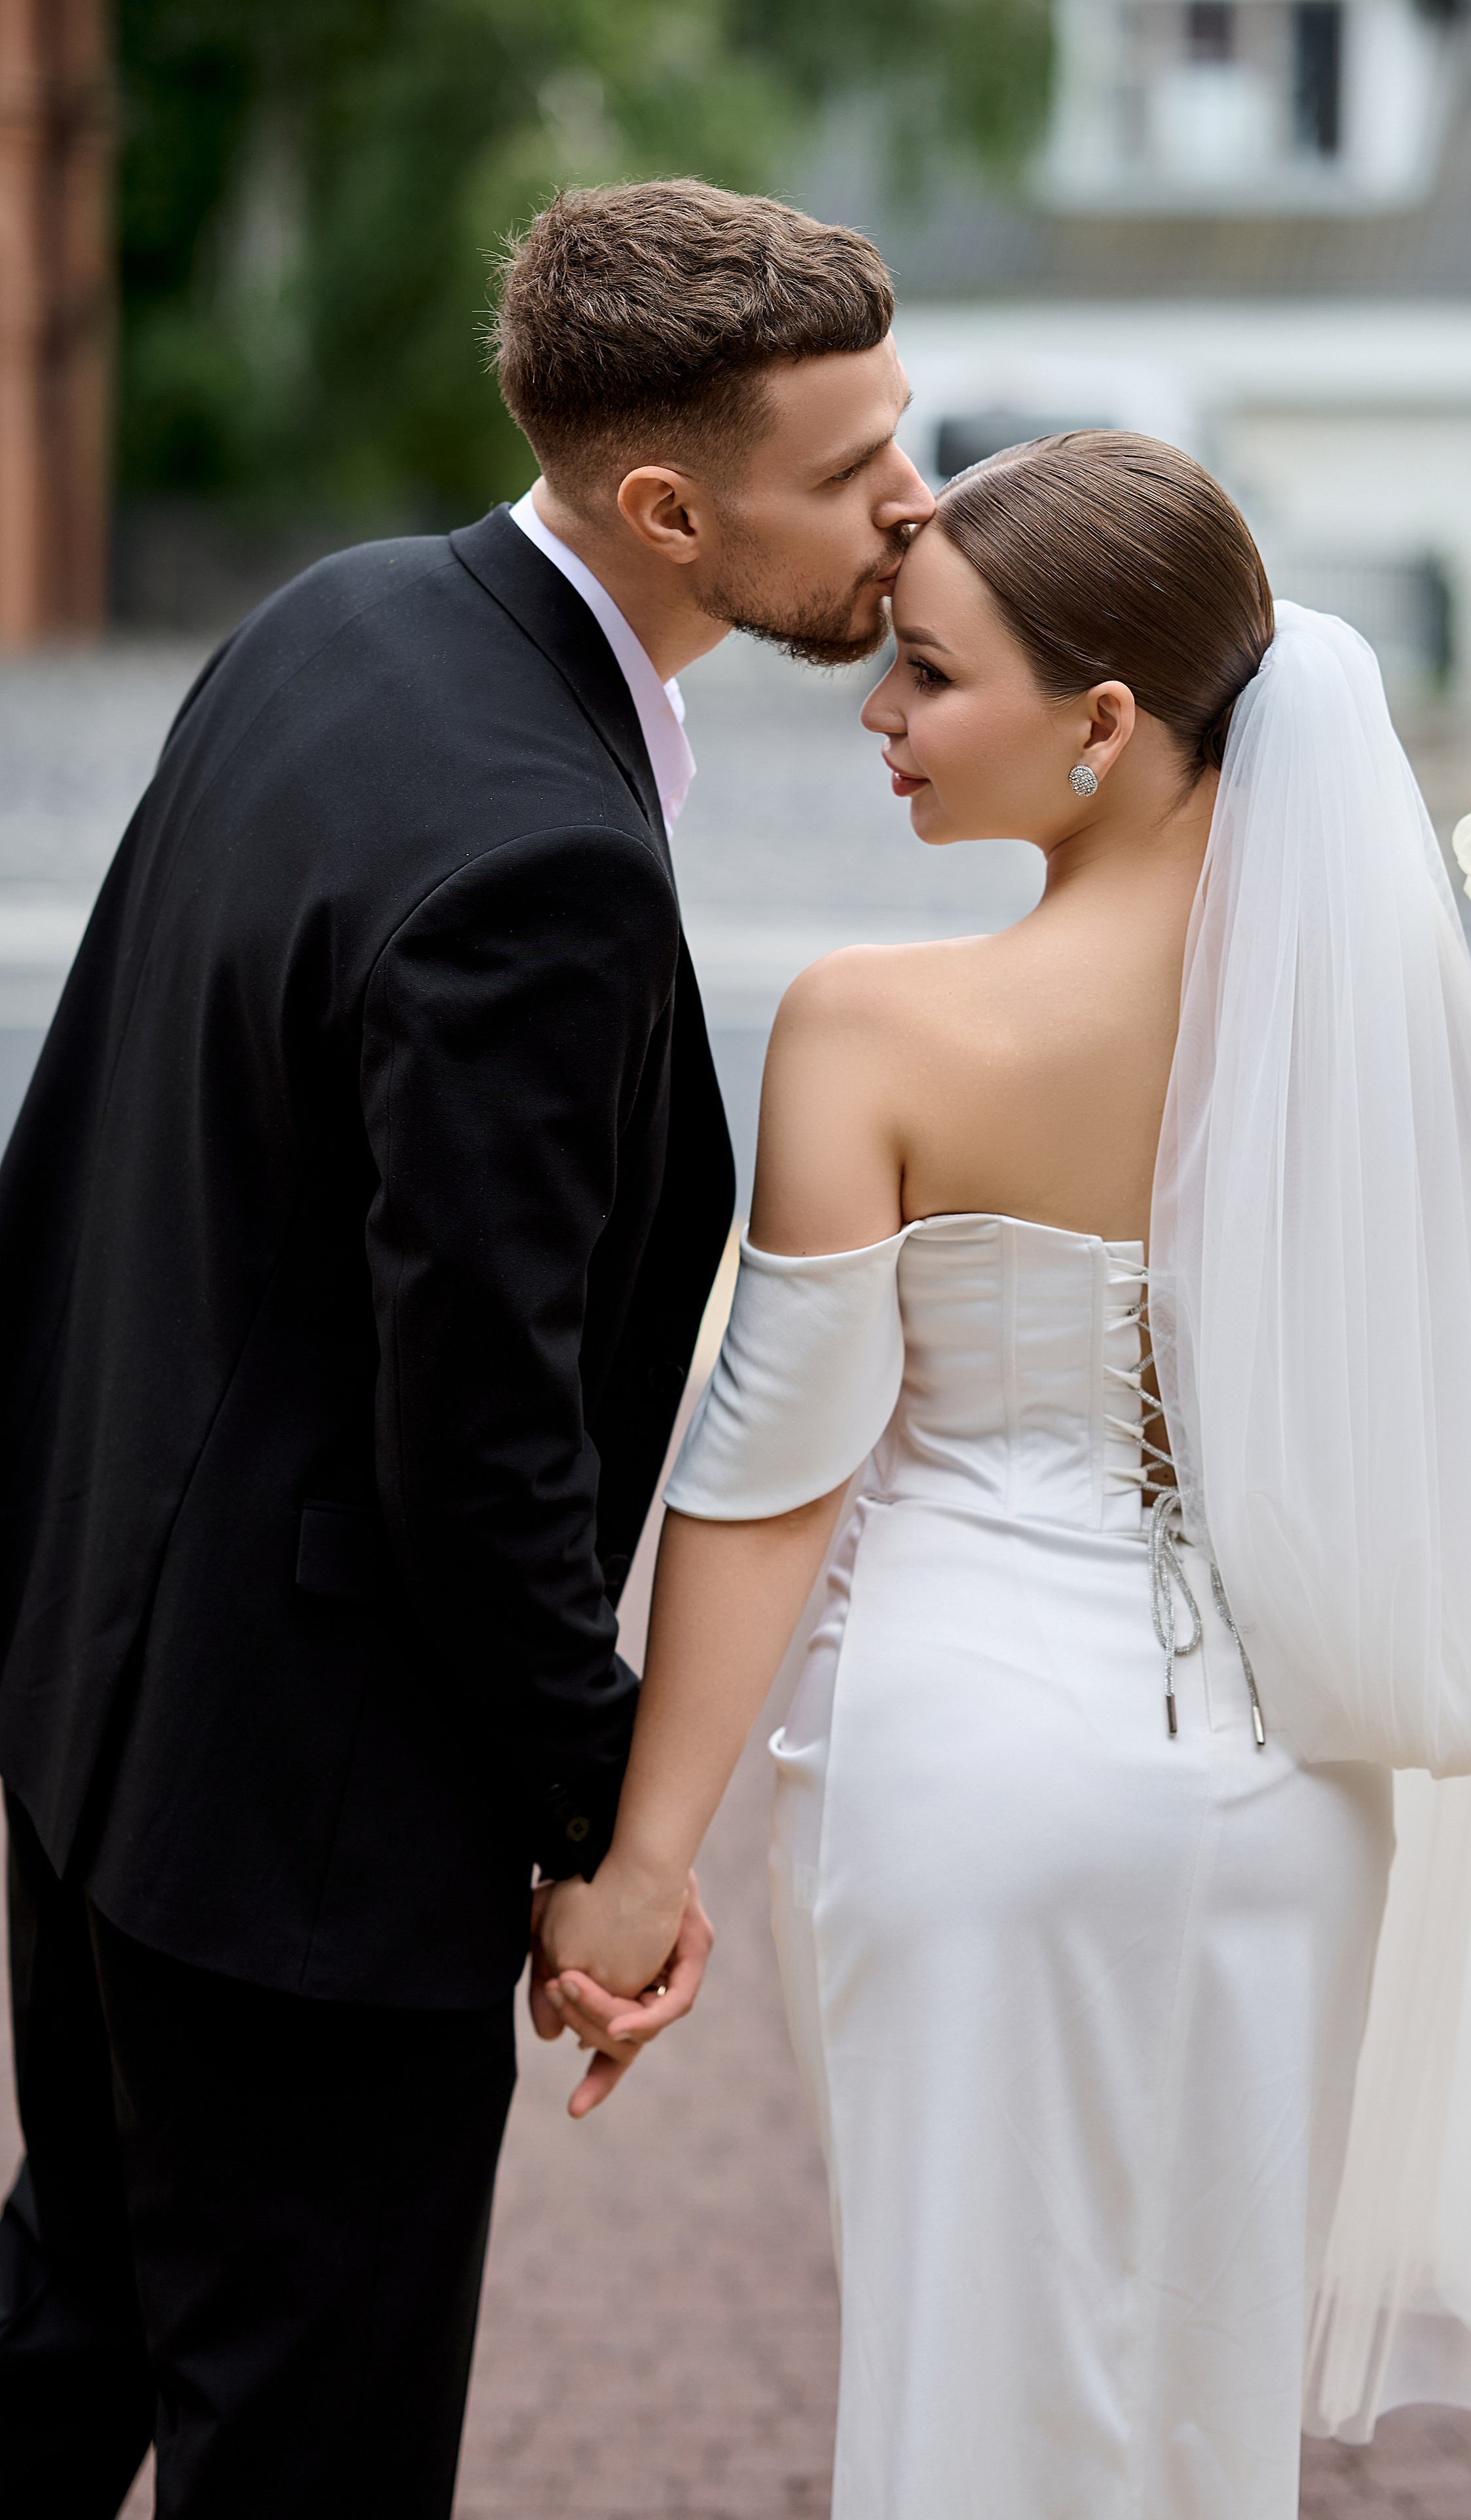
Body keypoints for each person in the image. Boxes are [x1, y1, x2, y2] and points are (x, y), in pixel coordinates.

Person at [538, 433, 1471, 2516]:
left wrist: (639, 1862)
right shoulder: (1394, 1068)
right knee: (1194, 2427)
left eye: (929, 675)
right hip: (1290, 1807)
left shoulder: (875, 1029)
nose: (878, 715)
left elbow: (773, 1467)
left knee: (969, 2407)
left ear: (1105, 721)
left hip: (968, 1780)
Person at [0, 178, 933, 2519]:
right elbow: (480, 1444)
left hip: (105, 1714)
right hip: (310, 1820)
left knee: (76, 2331)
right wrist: (603, 1824)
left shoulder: (338, 622)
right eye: (850, 471)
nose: (912, 506)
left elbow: (90, 1137)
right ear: (664, 505)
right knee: (306, 2444)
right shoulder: (541, 856)